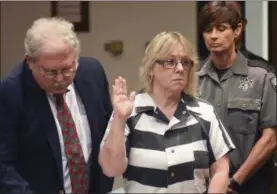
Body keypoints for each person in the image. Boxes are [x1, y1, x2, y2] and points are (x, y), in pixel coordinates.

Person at [99, 31, 235, 193]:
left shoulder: (204, 112)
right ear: (151, 68)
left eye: (185, 62)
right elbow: (111, 169)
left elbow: (221, 169)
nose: (180, 68)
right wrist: (120, 119)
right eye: (170, 62)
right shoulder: (130, 111)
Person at [0, 17, 113, 194]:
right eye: (51, 72)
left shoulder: (93, 73)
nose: (60, 79)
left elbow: (108, 136)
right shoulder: (11, 92)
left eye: (68, 68)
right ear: (30, 62)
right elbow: (4, 165)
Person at [197, 2, 277, 193]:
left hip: (249, 184)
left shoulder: (262, 77)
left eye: (221, 28)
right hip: (202, 184)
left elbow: (271, 138)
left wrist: (234, 182)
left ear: (237, 29)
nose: (213, 36)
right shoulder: (193, 77)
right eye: (208, 30)